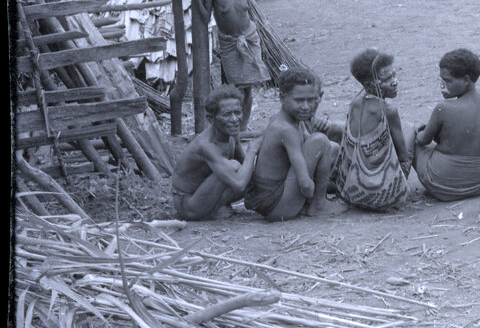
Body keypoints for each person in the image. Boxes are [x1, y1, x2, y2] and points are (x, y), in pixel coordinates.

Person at [244, 68, 346, 221]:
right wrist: (312, 194)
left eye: (311, 100)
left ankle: (316, 200)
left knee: (330, 147)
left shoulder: (284, 119)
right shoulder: (286, 130)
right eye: (299, 100)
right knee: (320, 141)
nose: (306, 106)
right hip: (278, 207)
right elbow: (305, 184)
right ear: (282, 98)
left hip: (271, 201)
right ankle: (319, 205)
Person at [192, 0, 267, 128]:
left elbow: (246, 12)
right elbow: (205, 16)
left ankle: (243, 126)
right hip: (229, 43)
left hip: (249, 37)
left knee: (248, 87)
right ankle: (231, 123)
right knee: (233, 88)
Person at [407, 48, 480, 201]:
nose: (442, 85)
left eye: (448, 81)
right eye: (442, 79)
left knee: (407, 131)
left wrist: (419, 130)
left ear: (466, 80)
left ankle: (397, 182)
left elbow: (422, 141)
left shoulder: (444, 108)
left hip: (444, 187)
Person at [331, 48, 410, 210]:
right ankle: (399, 192)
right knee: (412, 131)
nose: (395, 82)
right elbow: (403, 156)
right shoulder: (388, 110)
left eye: (394, 75)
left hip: (352, 192)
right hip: (382, 197)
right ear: (369, 85)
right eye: (387, 79)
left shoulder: (355, 103)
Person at [171, 85, 258, 220]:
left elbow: (247, 172)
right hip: (188, 206)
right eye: (227, 114)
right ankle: (210, 211)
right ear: (211, 119)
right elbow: (239, 184)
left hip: (207, 193)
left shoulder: (231, 135)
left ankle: (216, 207)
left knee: (247, 172)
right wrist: (252, 150)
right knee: (233, 166)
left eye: (238, 112)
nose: (235, 119)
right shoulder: (205, 145)